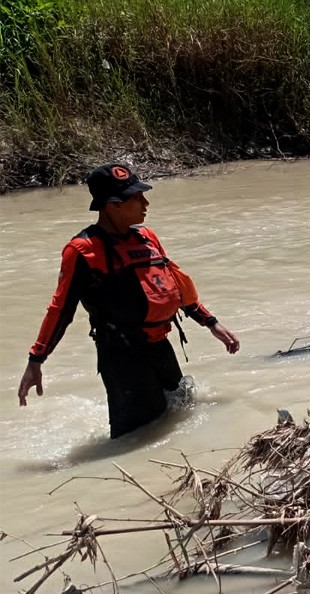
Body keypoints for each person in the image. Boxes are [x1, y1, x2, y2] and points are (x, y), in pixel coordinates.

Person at [17, 162, 241, 438]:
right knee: (139, 436)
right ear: (113, 205)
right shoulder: (82, 251)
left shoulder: (147, 237)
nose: (145, 202)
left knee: (181, 414)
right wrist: (36, 360)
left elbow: (172, 284)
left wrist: (211, 323)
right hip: (122, 356)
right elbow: (61, 309)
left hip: (161, 345)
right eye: (136, 197)